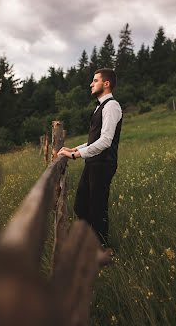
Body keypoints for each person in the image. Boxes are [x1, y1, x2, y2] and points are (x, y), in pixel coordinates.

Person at [58, 68, 122, 245]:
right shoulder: (100, 107)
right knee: (81, 205)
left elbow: (106, 141)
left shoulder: (111, 106)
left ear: (106, 84)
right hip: (93, 163)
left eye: (95, 80)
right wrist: (75, 148)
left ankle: (101, 248)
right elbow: (95, 140)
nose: (91, 84)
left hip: (103, 164)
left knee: (97, 209)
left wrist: (74, 155)